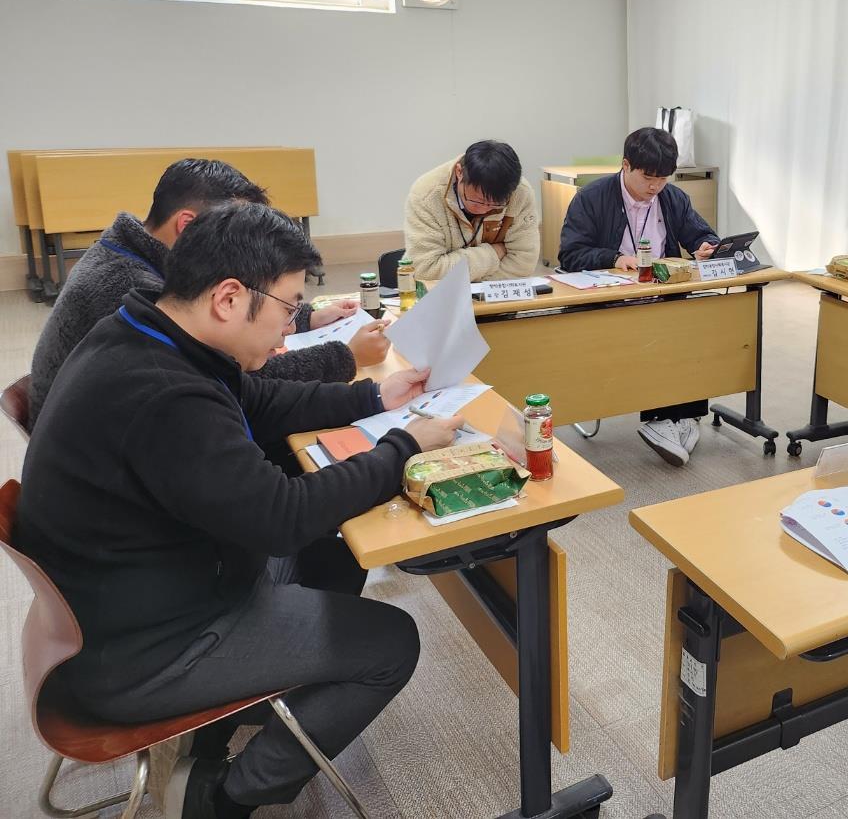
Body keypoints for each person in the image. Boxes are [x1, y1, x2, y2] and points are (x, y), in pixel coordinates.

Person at [17, 202, 463, 819]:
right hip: (144, 651)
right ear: (228, 298)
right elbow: (283, 516)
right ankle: (220, 798)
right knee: (392, 643)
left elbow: (255, 399)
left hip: (130, 596)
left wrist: (371, 396)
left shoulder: (146, 329)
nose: (290, 330)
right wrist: (403, 447)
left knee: (333, 557)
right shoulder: (165, 396)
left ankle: (233, 719)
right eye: (287, 308)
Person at [27, 158, 389, 428]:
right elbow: (234, 383)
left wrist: (304, 315)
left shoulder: (130, 253)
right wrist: (344, 357)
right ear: (188, 225)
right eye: (234, 228)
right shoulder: (137, 294)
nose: (247, 244)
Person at [558, 127, 719, 466]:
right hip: (610, 303)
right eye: (648, 178)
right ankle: (663, 420)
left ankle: (681, 417)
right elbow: (570, 255)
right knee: (655, 335)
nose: (655, 187)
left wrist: (705, 247)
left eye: (662, 179)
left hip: (660, 296)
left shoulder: (672, 198)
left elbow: (700, 234)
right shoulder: (592, 198)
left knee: (697, 325)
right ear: (626, 165)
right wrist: (613, 259)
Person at [403, 139, 541, 281]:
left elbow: (523, 264)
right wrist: (494, 252)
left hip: (494, 297)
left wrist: (480, 290)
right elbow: (426, 270)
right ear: (459, 172)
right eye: (477, 201)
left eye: (496, 204)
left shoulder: (520, 192)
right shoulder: (426, 194)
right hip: (442, 297)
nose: (484, 209)